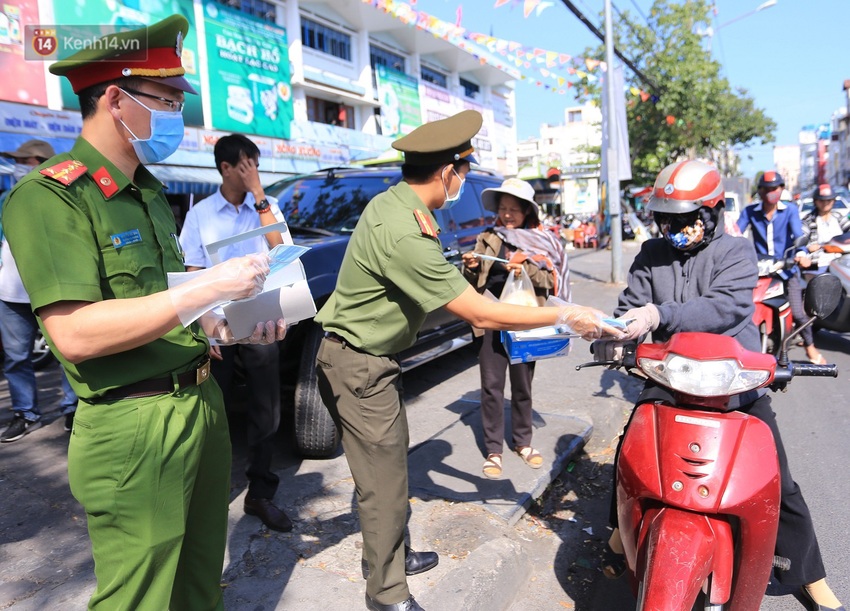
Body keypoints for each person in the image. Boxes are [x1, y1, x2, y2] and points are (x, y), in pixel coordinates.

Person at [2, 16, 284, 609]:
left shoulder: (151, 193)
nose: (178, 114)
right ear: (114, 99)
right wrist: (206, 285)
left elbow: (169, 307)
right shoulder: (53, 196)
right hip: (135, 424)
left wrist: (230, 321)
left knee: (200, 582)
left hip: (201, 403)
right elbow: (74, 334)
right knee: (141, 599)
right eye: (167, 99)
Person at [314, 109, 620, 611]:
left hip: (371, 360)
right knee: (383, 483)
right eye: (462, 170)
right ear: (445, 172)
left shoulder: (403, 207)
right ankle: (387, 594)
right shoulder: (404, 228)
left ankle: (395, 552)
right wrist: (565, 315)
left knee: (392, 468)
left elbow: (435, 269)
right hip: (359, 363)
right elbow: (478, 310)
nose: (462, 180)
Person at [599, 160, 843, 611]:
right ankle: (621, 533)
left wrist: (659, 315)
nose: (674, 226)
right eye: (666, 217)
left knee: (778, 479)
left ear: (710, 213)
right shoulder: (651, 254)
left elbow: (726, 308)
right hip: (672, 377)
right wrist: (615, 328)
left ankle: (809, 574)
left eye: (686, 217)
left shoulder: (736, 252)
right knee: (628, 458)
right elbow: (632, 304)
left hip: (734, 381)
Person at [179, 133, 292, 532]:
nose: (253, 172)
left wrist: (260, 193)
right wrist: (205, 329)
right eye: (247, 166)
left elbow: (281, 252)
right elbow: (191, 273)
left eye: (256, 165)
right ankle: (211, 492)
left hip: (260, 320)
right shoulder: (201, 214)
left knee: (266, 409)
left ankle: (261, 493)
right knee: (214, 409)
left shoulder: (265, 206)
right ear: (226, 168)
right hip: (216, 324)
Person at [461, 178, 569, 479]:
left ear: (526, 212)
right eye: (503, 209)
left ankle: (523, 442)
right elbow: (473, 284)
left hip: (524, 322)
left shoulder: (541, 240)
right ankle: (494, 450)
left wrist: (526, 268)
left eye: (514, 209)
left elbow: (550, 280)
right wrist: (469, 266)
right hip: (492, 321)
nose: (507, 215)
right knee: (491, 387)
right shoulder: (487, 237)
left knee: (522, 386)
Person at [0, 140, 79, 442]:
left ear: (42, 162)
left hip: (53, 290)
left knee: (69, 353)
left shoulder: (62, 195)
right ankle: (26, 413)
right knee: (16, 358)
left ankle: (73, 408)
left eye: (25, 159)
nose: (19, 165)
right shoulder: (7, 197)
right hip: (11, 294)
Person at [737, 171, 825, 364]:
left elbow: (797, 234)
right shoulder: (750, 211)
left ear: (781, 189)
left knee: (799, 313)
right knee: (740, 307)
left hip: (786, 269)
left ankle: (810, 348)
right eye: (766, 189)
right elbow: (736, 232)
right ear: (759, 191)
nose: (770, 193)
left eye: (774, 188)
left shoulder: (790, 211)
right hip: (759, 271)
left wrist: (801, 254)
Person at [799, 183, 850, 272]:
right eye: (821, 201)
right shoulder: (808, 220)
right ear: (815, 201)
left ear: (833, 201)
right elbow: (801, 237)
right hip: (817, 264)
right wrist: (808, 247)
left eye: (829, 200)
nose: (825, 203)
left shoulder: (839, 217)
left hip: (840, 262)